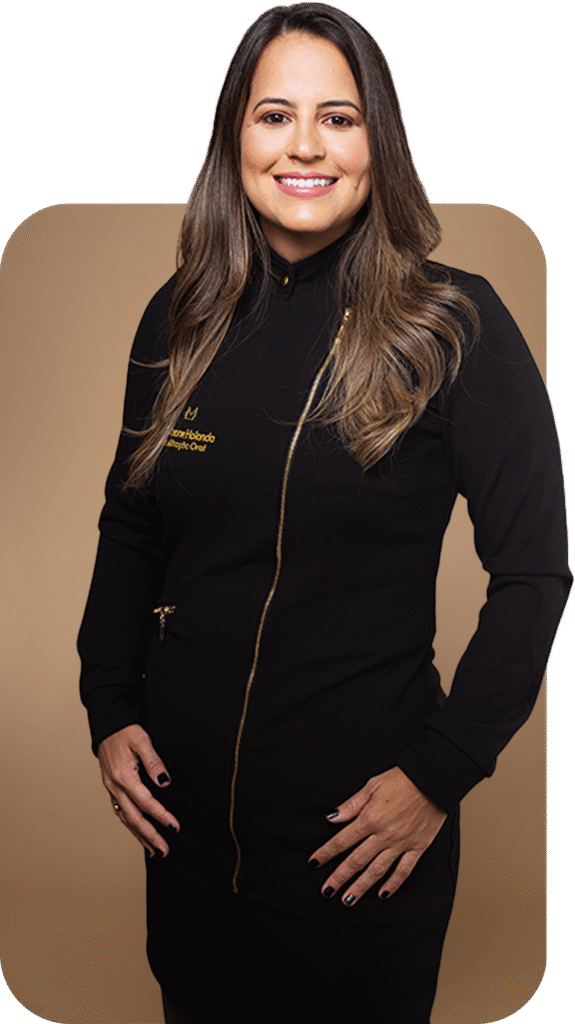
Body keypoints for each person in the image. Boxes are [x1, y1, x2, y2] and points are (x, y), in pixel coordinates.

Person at [78, 4, 571, 1022]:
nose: (304, 145)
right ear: (234, 138)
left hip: (354, 850)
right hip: (185, 841)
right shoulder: (181, 315)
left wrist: (440, 774)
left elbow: (533, 574)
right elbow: (132, 525)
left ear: (376, 141)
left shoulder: (453, 324)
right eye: (274, 115)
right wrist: (109, 703)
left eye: (337, 118)